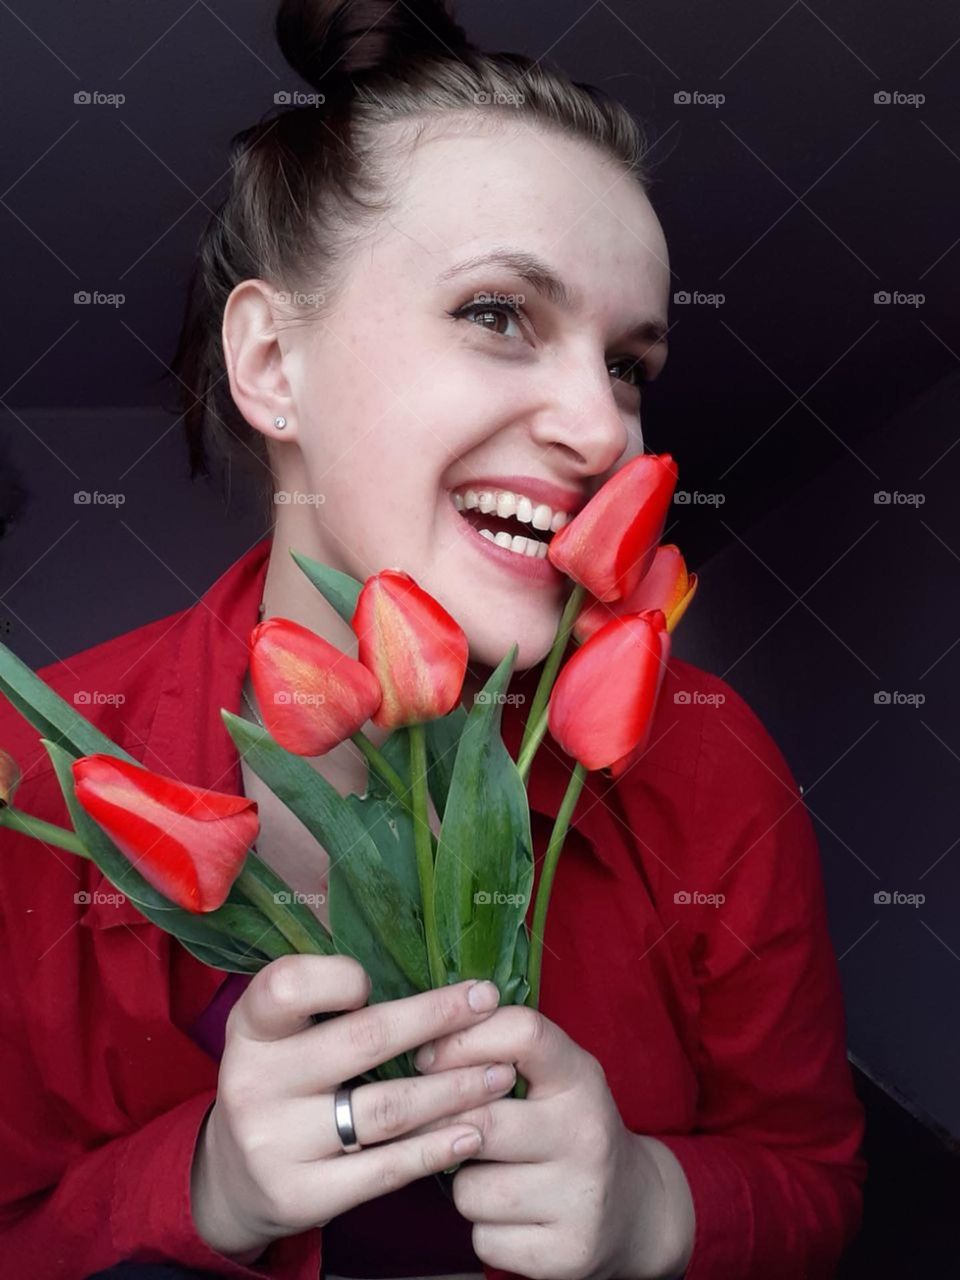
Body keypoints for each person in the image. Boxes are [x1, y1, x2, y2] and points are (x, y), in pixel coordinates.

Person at [0, 1, 867, 1278]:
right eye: (501, 313)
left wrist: (654, 1206)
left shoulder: (708, 762)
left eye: (629, 362)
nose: (606, 430)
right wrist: (205, 1183)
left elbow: (817, 1180)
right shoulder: (41, 767)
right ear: (271, 359)